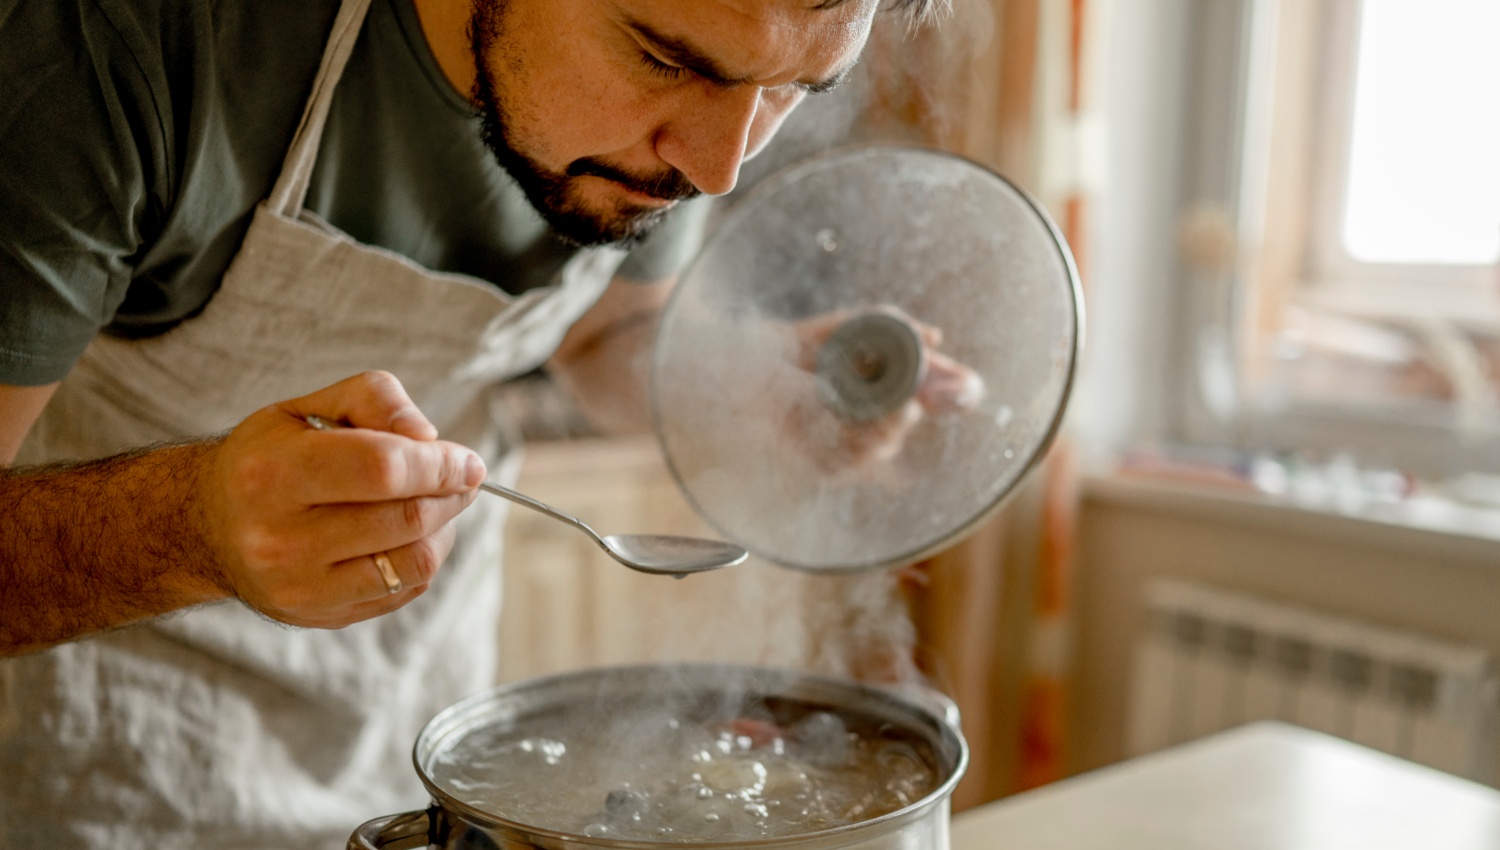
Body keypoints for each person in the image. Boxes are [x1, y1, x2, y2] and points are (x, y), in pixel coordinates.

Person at [0, 0, 944, 845]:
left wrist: (747, 387)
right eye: (664, 60)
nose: (716, 169)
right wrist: (192, 526)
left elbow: (610, 331)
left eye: (792, 89)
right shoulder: (120, 47)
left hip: (420, 747)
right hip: (89, 775)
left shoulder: (686, 134)